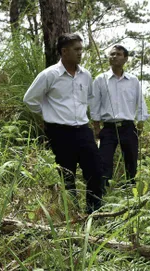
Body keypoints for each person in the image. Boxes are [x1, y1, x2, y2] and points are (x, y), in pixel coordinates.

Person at [23, 33, 103, 214]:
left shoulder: (86, 75)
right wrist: (47, 115)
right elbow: (30, 99)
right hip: (59, 132)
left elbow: (89, 99)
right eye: (76, 49)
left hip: (83, 129)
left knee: (96, 170)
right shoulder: (50, 75)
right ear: (64, 51)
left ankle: (95, 212)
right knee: (67, 174)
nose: (80, 53)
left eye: (81, 49)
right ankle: (72, 213)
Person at [90, 44, 150, 189]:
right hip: (108, 129)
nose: (113, 57)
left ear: (125, 58)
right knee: (104, 162)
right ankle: (104, 193)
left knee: (131, 163)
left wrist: (140, 124)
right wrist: (96, 128)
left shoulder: (133, 81)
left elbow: (140, 101)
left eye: (118, 54)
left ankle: (131, 192)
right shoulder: (100, 80)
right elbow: (94, 104)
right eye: (111, 54)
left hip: (128, 127)